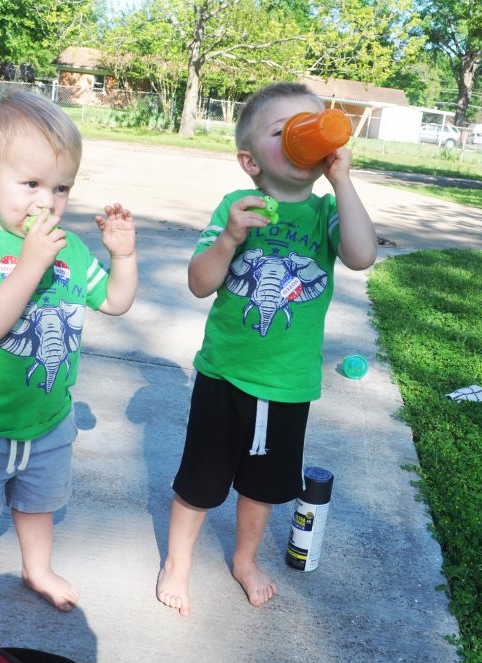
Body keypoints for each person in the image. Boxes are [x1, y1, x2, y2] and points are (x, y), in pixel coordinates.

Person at [156, 82, 376, 616]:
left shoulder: (326, 213)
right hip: (225, 376)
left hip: (289, 384)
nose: (303, 137)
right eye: (284, 131)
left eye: (312, 125)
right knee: (199, 482)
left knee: (262, 488)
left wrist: (342, 181)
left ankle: (244, 559)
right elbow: (199, 283)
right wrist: (229, 239)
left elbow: (362, 255)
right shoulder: (238, 206)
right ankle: (177, 565)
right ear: (250, 161)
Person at [0, 91, 137, 626]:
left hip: (48, 421)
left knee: (38, 505)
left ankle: (37, 569)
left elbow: (115, 302)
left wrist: (123, 256)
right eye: (31, 184)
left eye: (61, 187)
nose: (46, 202)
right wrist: (27, 266)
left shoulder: (66, 249)